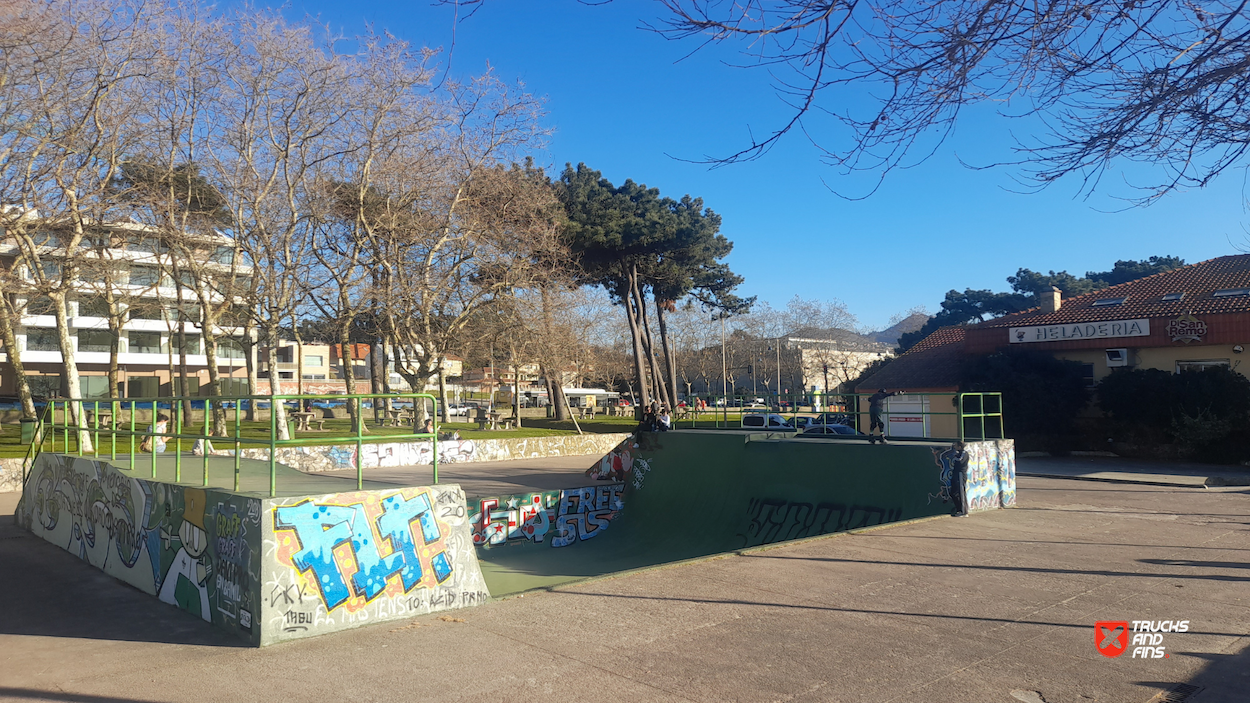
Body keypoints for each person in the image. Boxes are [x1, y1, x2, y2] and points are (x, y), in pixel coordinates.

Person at [949, 442, 970, 517]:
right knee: (953, 492)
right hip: (955, 475)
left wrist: (954, 457)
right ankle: (959, 509)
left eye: (956, 446)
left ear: (960, 447)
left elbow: (960, 461)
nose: (955, 447)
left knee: (961, 492)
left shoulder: (964, 453)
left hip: (960, 474)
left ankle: (964, 512)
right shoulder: (958, 453)